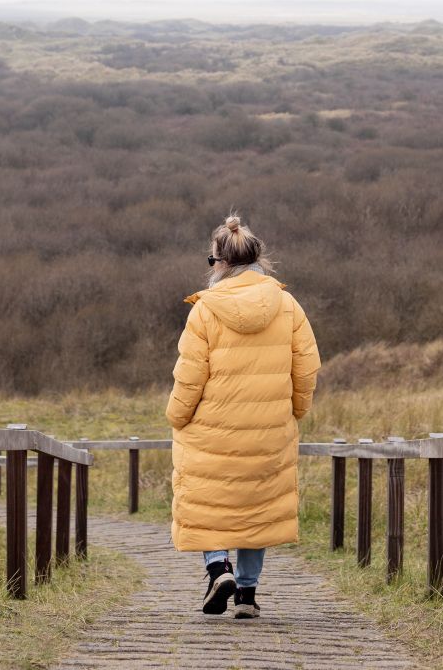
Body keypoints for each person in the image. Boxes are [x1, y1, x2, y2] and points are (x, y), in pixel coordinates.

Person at [165, 214, 321, 619]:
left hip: (213, 430)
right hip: (269, 430)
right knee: (258, 507)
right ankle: (247, 597)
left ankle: (219, 568)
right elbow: (306, 367)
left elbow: (189, 375)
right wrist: (295, 412)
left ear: (220, 263)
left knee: (207, 498)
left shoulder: (205, 311)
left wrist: (177, 417)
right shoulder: (288, 306)